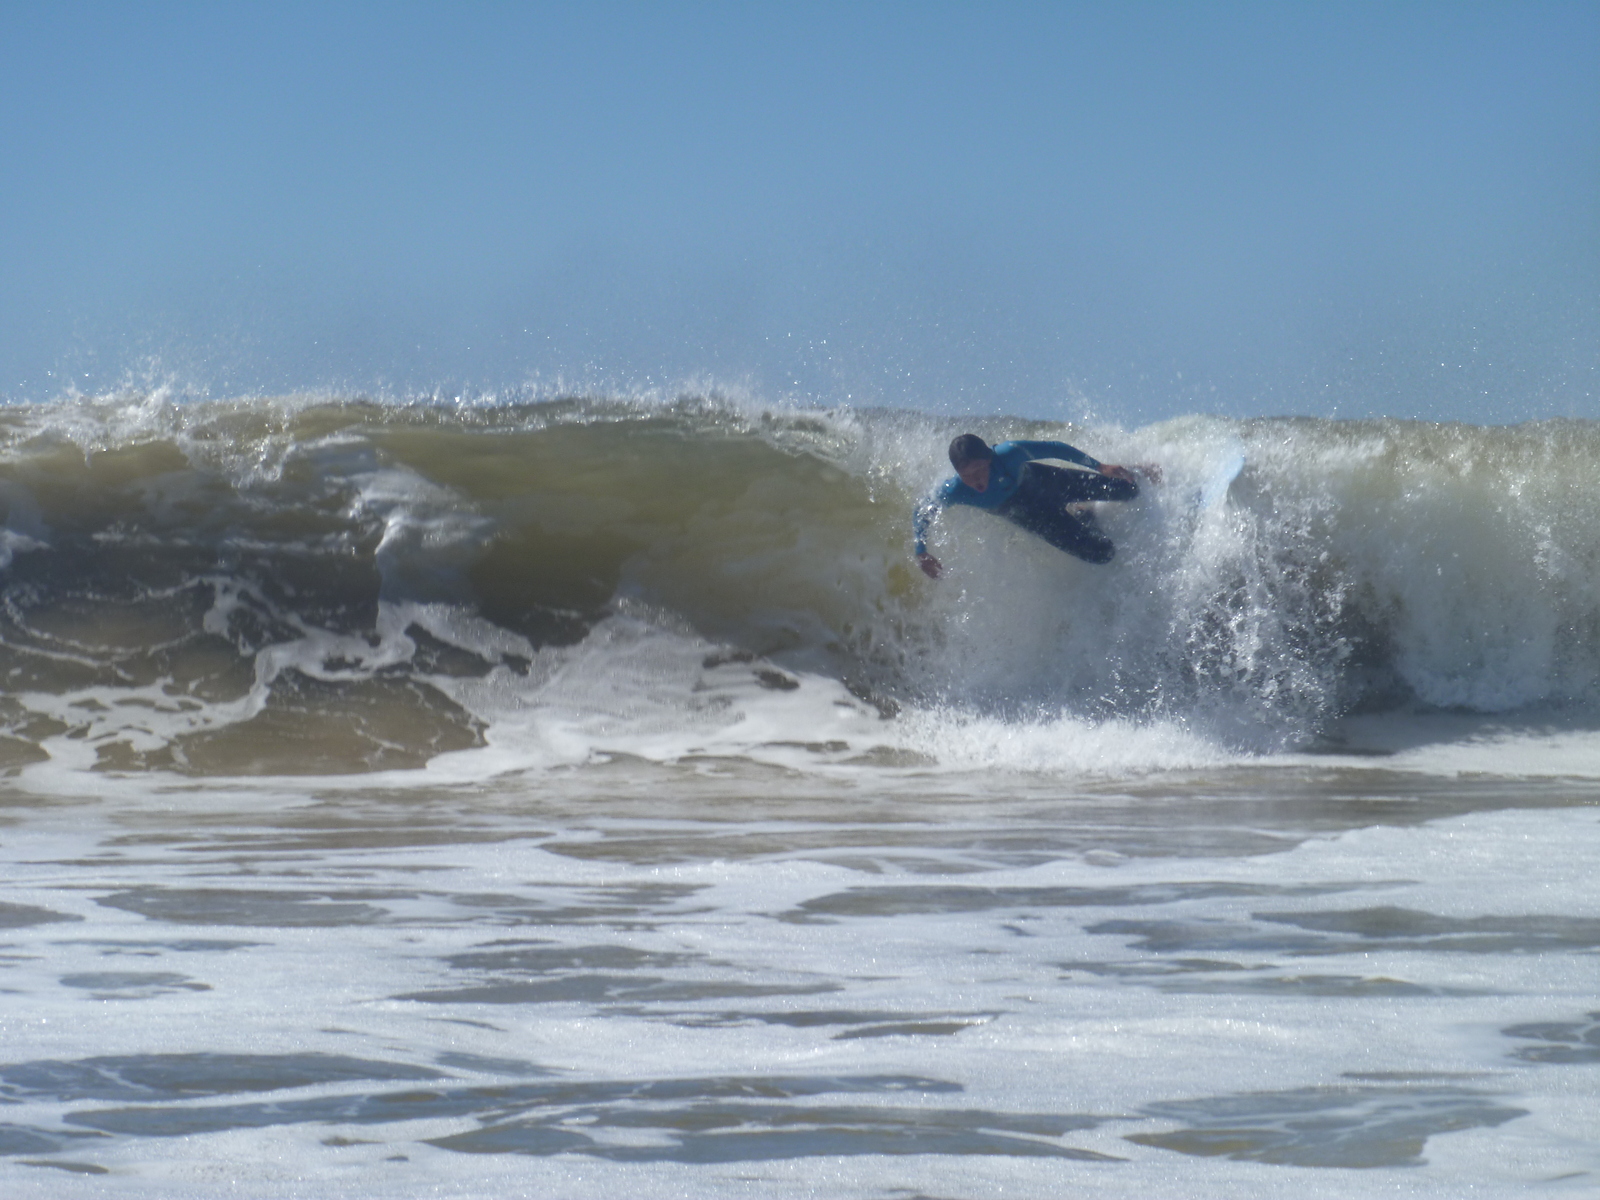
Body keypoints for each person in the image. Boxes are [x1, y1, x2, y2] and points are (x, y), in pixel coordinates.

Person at [913, 433, 1155, 579]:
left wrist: (1099, 466)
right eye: (967, 475)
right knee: (1103, 554)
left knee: (1130, 490)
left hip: (1049, 483)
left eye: (979, 470)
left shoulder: (1008, 453)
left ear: (989, 458)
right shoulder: (955, 490)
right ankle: (1084, 514)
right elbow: (922, 510)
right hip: (1035, 518)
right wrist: (921, 552)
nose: (976, 480)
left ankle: (1138, 469)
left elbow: (1055, 448)